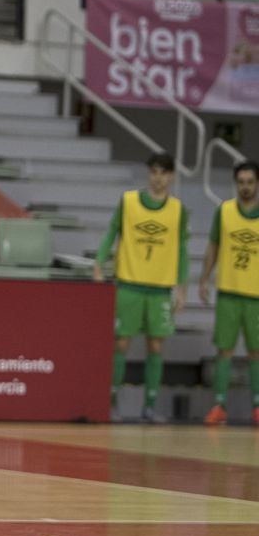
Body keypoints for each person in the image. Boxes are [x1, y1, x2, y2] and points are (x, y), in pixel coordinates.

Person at [92, 153, 188, 424]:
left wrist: (182, 288)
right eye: (154, 172)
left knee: (156, 346)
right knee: (121, 343)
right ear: (149, 174)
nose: (158, 177)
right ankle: (111, 404)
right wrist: (99, 263)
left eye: (163, 173)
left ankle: (149, 406)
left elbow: (181, 250)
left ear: (172, 177)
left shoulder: (178, 210)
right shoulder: (129, 201)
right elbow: (112, 232)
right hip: (130, 285)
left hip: (160, 289)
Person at [199, 160, 259, 426]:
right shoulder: (223, 212)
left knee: (256, 353)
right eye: (241, 182)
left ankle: (257, 407)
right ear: (235, 184)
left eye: (250, 182)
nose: (245, 187)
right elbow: (213, 247)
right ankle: (219, 405)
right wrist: (203, 279)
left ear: (257, 184)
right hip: (228, 291)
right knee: (224, 350)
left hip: (256, 295)